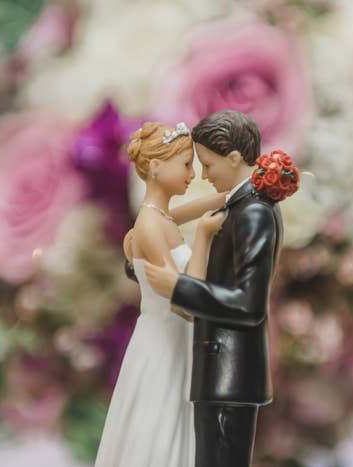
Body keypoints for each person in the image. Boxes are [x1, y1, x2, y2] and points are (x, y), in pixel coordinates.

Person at [144, 110, 284, 467]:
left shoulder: (252, 212)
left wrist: (180, 288)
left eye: (208, 164)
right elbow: (167, 218)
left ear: (234, 158)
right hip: (221, 373)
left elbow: (250, 305)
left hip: (229, 374)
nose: (204, 175)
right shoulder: (239, 203)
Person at [94, 121, 226, 467]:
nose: (193, 172)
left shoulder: (161, 218)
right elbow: (184, 298)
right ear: (155, 168)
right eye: (185, 164)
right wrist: (203, 238)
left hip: (176, 341)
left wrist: (240, 191)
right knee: (158, 427)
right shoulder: (150, 226)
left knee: (176, 425)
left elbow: (200, 207)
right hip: (165, 340)